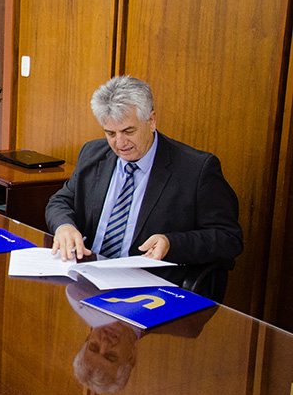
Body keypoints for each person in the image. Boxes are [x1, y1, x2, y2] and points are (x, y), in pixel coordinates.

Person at [45, 76, 242, 282]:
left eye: (128, 131)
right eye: (110, 133)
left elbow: (229, 238)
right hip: (87, 274)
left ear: (151, 121)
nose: (120, 143)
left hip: (146, 285)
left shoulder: (196, 169)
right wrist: (64, 226)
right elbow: (60, 201)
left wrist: (171, 243)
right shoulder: (93, 153)